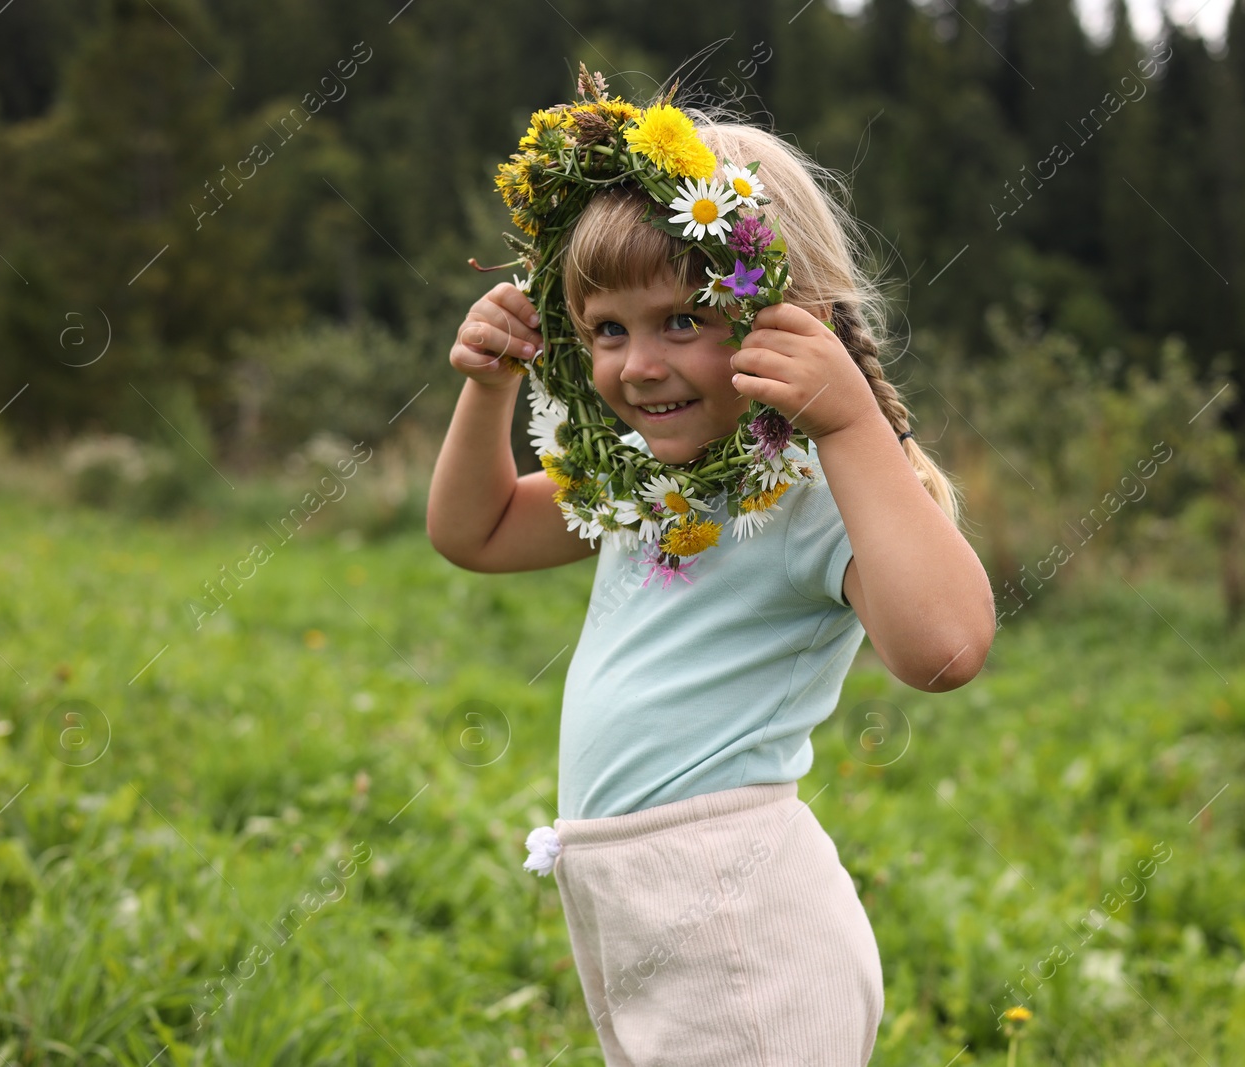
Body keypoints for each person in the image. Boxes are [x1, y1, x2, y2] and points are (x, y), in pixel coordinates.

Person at [426, 104, 997, 1065]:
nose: (640, 365)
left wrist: (852, 428)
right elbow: (474, 532)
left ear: (787, 316)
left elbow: (945, 648)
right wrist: (490, 386)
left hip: (739, 921)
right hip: (638, 910)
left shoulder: (811, 486)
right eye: (605, 328)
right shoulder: (650, 478)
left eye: (684, 320)